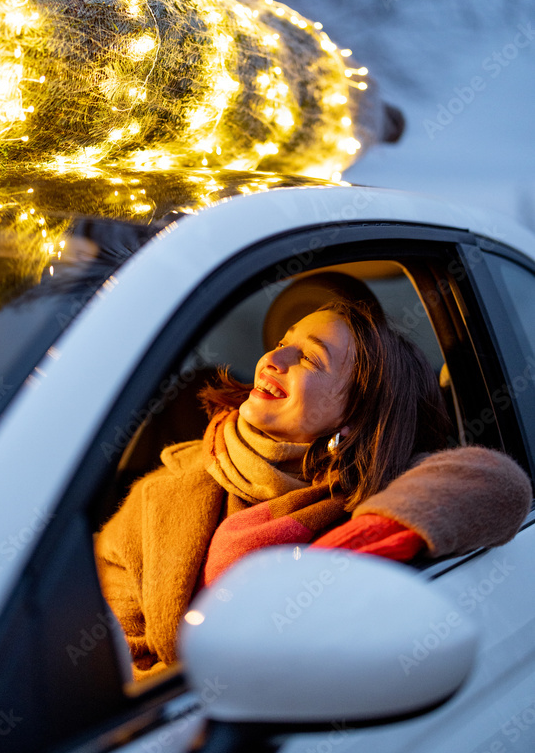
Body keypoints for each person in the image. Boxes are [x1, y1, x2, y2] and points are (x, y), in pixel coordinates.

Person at [95, 282, 532, 680]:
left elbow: (497, 480)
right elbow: (108, 652)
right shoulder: (161, 493)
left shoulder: (375, 489)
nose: (272, 359)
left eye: (309, 357)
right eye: (284, 343)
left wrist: (343, 557)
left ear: (357, 416)